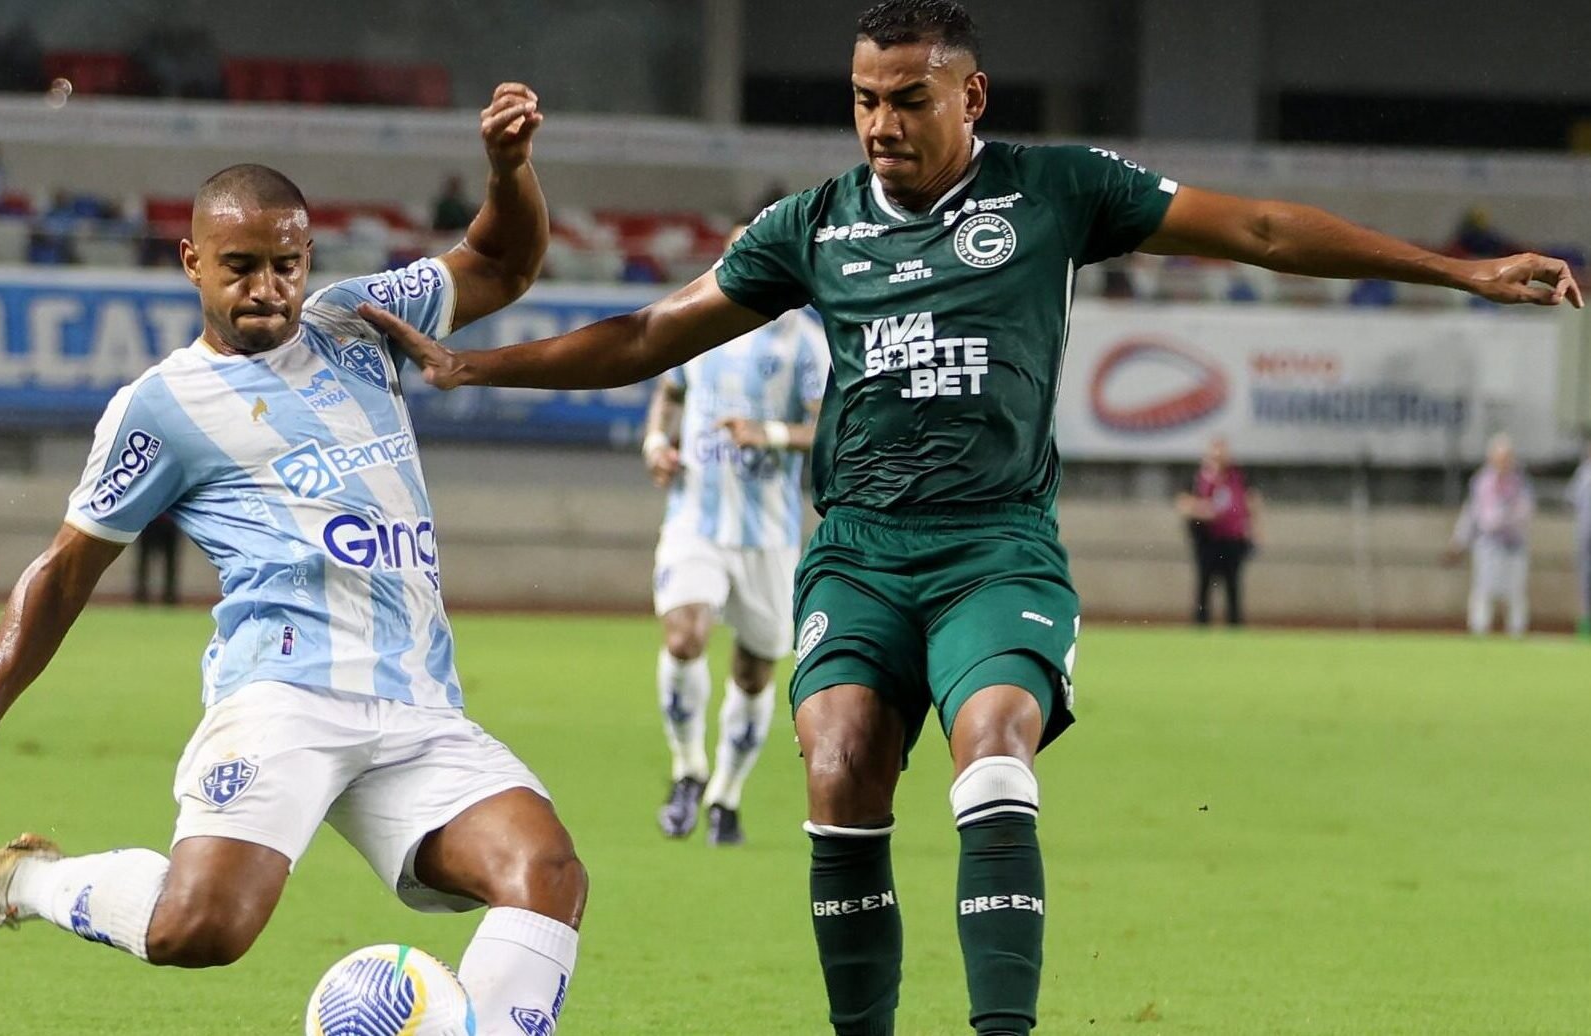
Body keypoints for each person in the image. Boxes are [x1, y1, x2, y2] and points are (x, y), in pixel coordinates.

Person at [352, 4, 1582, 1033]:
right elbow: (647, 336)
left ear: (971, 95)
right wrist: (475, 369)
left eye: (908, 99)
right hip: (860, 549)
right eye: (864, 100)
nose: (882, 123)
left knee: (994, 743)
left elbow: (1255, 229)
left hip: (996, 544)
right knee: (838, 764)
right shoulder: (814, 223)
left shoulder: (1057, 192)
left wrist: (1461, 269)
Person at [0, 84, 587, 1036]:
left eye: (286, 266)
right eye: (241, 267)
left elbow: (503, 259)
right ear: (192, 263)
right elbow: (63, 571)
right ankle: (27, 883)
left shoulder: (357, 323)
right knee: (200, 930)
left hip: (418, 704)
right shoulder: (161, 406)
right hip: (283, 695)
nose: (267, 290)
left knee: (546, 875)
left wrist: (508, 170)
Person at [642, 250, 828, 845]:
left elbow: (831, 426)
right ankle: (687, 767)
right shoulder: (697, 325)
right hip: (694, 518)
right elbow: (670, 394)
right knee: (684, 635)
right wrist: (655, 443)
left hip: (768, 538)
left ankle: (726, 794)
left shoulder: (805, 343)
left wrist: (769, 432)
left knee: (754, 672)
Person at [1449, 434, 1534, 637]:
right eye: (1500, 457)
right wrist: (1459, 540)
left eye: (1507, 457)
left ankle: (1517, 630)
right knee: (1484, 588)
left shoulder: (1520, 482)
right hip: (1489, 543)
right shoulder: (1482, 482)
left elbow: (1526, 511)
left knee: (1515, 591)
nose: (1504, 462)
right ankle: (1479, 628)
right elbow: (1473, 513)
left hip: (1514, 544)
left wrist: (1504, 517)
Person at [1175, 436, 1260, 626]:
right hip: (1207, 540)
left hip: (1232, 540)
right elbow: (1183, 503)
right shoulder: (1197, 478)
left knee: (1233, 585)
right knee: (1204, 583)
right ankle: (1201, 624)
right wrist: (1202, 510)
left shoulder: (1238, 477)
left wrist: (1254, 529)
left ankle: (1234, 624)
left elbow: (1252, 501)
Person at [132, 512, 180, 605]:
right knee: (144, 561)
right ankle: (141, 593)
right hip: (149, 523)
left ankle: (169, 595)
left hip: (169, 523)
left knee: (170, 562)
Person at [1569, 441, 1591, 639]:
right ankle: (1586, 625)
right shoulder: (1583, 474)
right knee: (1585, 582)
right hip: (1585, 537)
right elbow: (1573, 501)